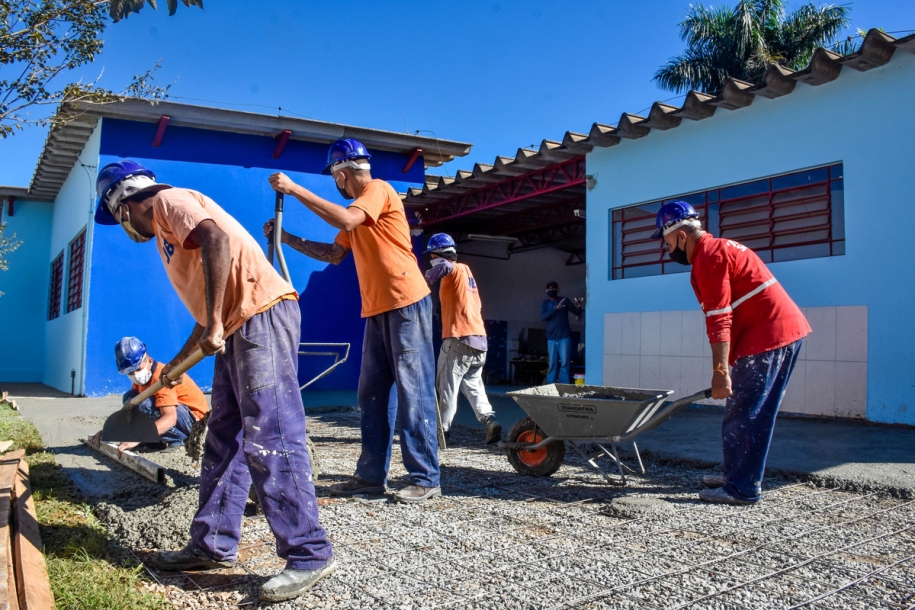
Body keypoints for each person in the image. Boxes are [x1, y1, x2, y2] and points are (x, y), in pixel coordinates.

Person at [93, 160, 334, 603]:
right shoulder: (166, 234)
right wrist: (176, 364)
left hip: (260, 313)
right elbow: (208, 313)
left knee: (271, 431)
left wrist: (216, 323)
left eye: (117, 217)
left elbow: (217, 239)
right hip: (236, 323)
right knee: (224, 438)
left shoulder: (168, 201)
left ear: (122, 205)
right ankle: (212, 543)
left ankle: (309, 552)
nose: (124, 227)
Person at [263, 138, 440, 504]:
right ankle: (370, 478)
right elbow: (333, 253)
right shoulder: (358, 212)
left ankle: (426, 478)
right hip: (377, 309)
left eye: (335, 178)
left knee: (413, 389)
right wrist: (286, 238)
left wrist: (294, 189)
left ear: (341, 175)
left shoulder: (378, 190)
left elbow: (346, 218)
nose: (337, 185)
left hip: (407, 301)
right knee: (372, 394)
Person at [652, 200, 811, 505]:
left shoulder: (710, 257)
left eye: (667, 242)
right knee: (745, 411)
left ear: (682, 236)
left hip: (769, 337)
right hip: (775, 334)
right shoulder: (718, 249)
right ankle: (736, 475)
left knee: (746, 413)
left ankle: (742, 489)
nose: (667, 249)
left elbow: (719, 318)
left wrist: (721, 372)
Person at [423, 233, 502, 445]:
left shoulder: (449, 267)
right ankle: (490, 419)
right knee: (473, 385)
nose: (431, 259)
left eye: (431, 256)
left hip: (458, 337)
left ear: (437, 254)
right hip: (480, 340)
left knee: (447, 387)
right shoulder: (466, 270)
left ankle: (442, 432)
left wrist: (425, 279)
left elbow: (444, 267)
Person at [93, 337, 209, 455]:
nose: (135, 375)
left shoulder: (162, 378)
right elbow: (129, 413)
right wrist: (110, 432)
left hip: (196, 425)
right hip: (180, 418)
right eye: (130, 372)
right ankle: (154, 442)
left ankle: (180, 441)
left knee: (146, 404)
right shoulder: (140, 381)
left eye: (138, 369)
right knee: (131, 398)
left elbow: (170, 418)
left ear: (149, 361)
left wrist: (138, 437)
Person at [539, 281, 582, 384]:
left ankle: (564, 384)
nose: (551, 290)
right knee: (552, 363)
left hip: (564, 337)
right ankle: (551, 385)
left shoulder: (564, 301)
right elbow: (543, 317)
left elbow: (576, 311)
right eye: (549, 288)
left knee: (565, 362)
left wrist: (579, 306)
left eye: (553, 288)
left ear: (557, 289)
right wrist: (555, 308)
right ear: (546, 291)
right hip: (551, 338)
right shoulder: (545, 303)